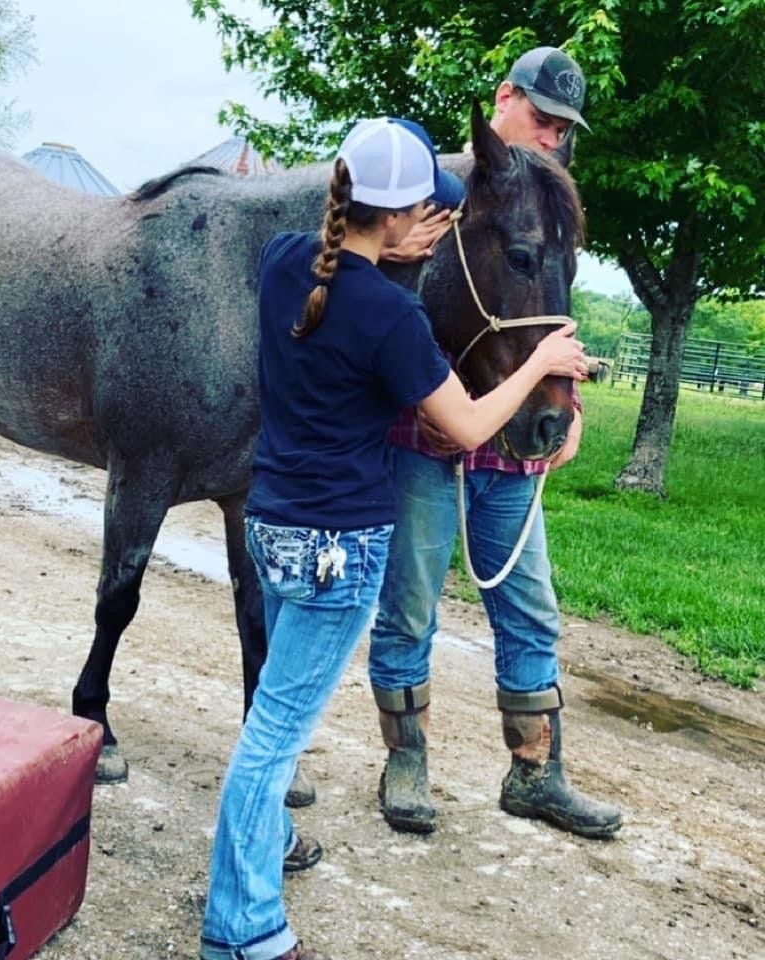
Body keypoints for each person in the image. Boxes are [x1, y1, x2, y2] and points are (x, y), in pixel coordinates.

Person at [199, 116, 587, 960]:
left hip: (273, 525)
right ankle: (243, 927)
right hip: (342, 548)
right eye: (428, 212)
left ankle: (257, 868)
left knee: (271, 720)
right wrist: (541, 359)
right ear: (406, 218)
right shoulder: (392, 321)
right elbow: (475, 420)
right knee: (276, 734)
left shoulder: (283, 267)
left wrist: (393, 242)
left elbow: (334, 258)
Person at [368, 46, 624, 840]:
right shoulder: (434, 196)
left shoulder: (549, 202)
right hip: (423, 438)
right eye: (542, 120)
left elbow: (547, 308)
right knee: (409, 608)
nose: (551, 139)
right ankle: (407, 758)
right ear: (503, 100)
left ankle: (536, 772)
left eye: (563, 129)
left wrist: (569, 404)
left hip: (508, 450)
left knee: (530, 609)